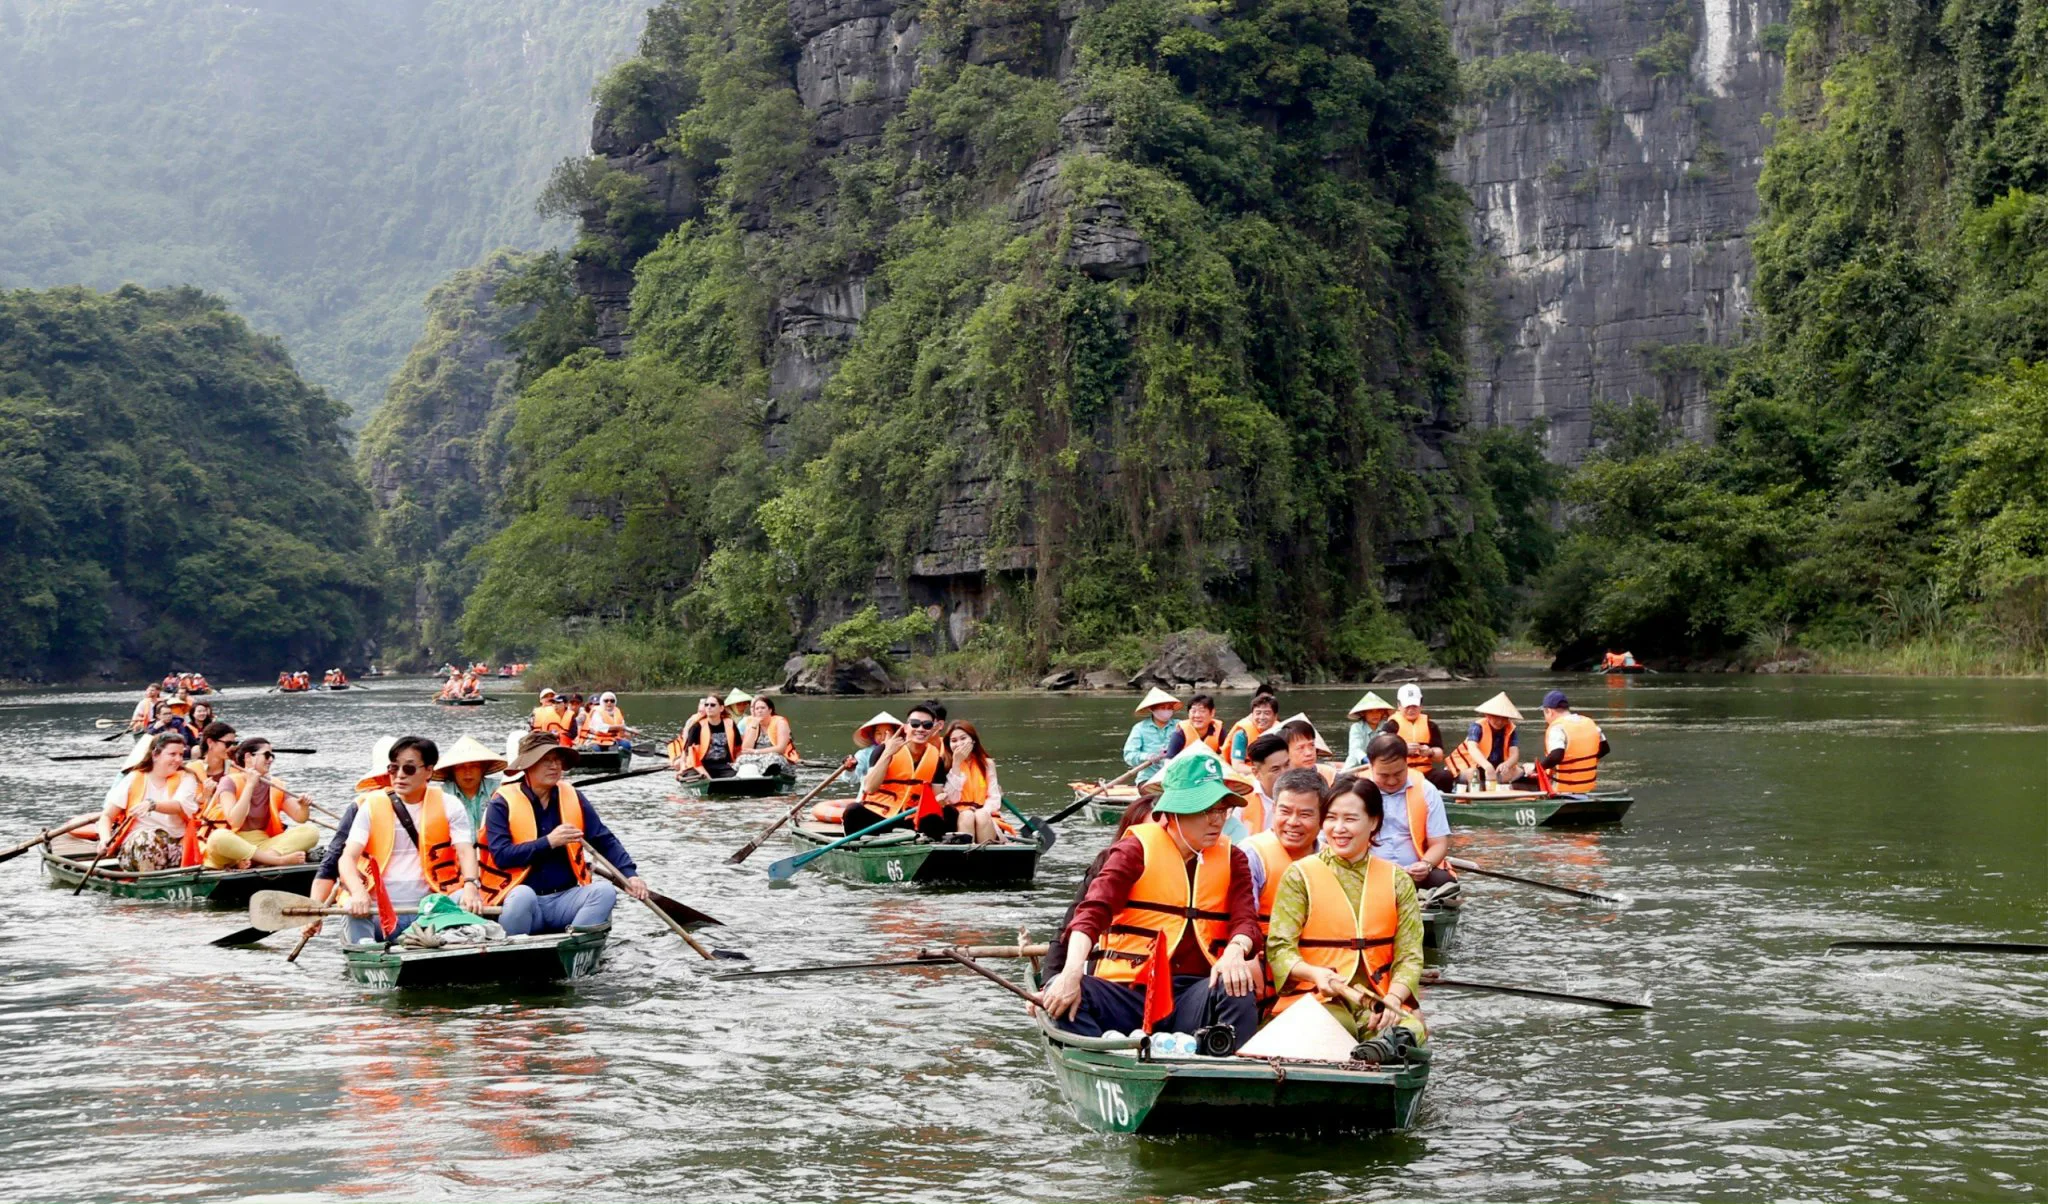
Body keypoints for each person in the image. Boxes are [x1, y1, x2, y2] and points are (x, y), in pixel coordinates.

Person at [1038, 756, 1263, 1052]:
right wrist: (1069, 973)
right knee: (1066, 991)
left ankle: (1220, 1074)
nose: (1218, 820)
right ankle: (1108, 1062)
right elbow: (1092, 912)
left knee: (1236, 985)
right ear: (1174, 811)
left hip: (1192, 993)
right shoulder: (1133, 851)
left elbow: (1246, 920)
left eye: (1222, 809)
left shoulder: (1234, 858)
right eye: (1206, 810)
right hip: (1128, 993)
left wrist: (1236, 951)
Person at [1266, 774, 1429, 1050]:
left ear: (1374, 821)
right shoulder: (1299, 876)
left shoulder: (1398, 881)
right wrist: (1316, 974)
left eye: (1350, 819)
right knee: (1336, 1027)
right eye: (1331, 818)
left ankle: (1380, 1051)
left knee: (1411, 1029)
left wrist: (1394, 997)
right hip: (1318, 995)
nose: (1338, 828)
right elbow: (1280, 949)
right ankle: (1372, 1053)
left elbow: (1410, 956)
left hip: (1377, 997)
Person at [480, 733, 648, 936]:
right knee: (522, 896)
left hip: (565, 899)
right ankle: (519, 950)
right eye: (546, 761)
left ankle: (572, 945)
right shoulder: (501, 802)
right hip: (523, 901)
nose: (555, 766)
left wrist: (630, 874)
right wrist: (549, 842)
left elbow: (603, 839)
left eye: (557, 760)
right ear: (527, 766)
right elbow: (502, 856)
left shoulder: (572, 795)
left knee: (604, 892)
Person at [336, 736, 485, 944]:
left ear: (429, 771)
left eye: (409, 769)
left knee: (466, 899)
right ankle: (367, 954)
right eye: (393, 768)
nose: (399, 776)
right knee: (353, 907)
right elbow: (347, 858)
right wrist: (359, 892)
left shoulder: (449, 805)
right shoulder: (371, 806)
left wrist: (471, 886)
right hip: (380, 913)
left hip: (430, 912)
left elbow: (465, 851)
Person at [201, 738, 319, 869]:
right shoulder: (228, 781)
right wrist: (250, 785)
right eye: (267, 755)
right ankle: (275, 861)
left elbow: (300, 818)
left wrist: (304, 806)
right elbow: (235, 821)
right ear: (248, 757)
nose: (270, 760)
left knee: (311, 831)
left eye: (272, 756)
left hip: (262, 843)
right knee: (218, 837)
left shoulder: (275, 784)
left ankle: (261, 858)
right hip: (231, 844)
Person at [1361, 732, 1455, 893]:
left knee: (1445, 883)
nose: (1391, 781)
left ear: (1407, 763)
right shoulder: (1355, 791)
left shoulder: (1426, 790)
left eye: (1398, 774)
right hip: (1366, 871)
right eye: (1383, 775)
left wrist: (1425, 865)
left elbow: (1439, 843)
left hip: (1413, 873)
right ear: (1370, 766)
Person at [1242, 767, 1326, 941]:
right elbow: (1243, 920)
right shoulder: (1251, 854)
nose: (1293, 822)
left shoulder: (1333, 858)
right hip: (1263, 958)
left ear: (1323, 817)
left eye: (1305, 814)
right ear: (1274, 808)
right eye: (1285, 812)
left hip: (1323, 959)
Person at [843, 701, 946, 837]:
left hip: (910, 818)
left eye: (927, 725)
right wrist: (888, 754)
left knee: (946, 815)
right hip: (879, 816)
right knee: (853, 811)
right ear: (906, 728)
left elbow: (936, 796)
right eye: (915, 724)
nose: (921, 729)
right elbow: (869, 787)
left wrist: (941, 800)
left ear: (933, 729)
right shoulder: (882, 750)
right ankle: (858, 849)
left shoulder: (936, 758)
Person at [99, 733, 200, 871]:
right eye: (172, 754)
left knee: (148, 839)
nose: (178, 760)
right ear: (155, 755)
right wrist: (104, 838)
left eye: (181, 755)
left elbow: (179, 805)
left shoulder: (187, 778)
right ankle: (146, 878)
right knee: (144, 838)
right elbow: (107, 816)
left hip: (173, 848)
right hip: (135, 848)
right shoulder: (134, 778)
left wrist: (152, 805)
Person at [935, 721, 1009, 845]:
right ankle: (967, 857)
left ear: (973, 740)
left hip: (985, 814)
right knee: (967, 816)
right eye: (954, 740)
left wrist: (982, 811)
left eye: (963, 738)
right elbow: (952, 799)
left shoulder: (987, 764)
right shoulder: (945, 764)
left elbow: (994, 797)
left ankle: (987, 855)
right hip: (959, 815)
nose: (959, 744)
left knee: (981, 816)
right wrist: (956, 764)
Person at [1380, 684, 1452, 791]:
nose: (1411, 710)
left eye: (1414, 706)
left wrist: (1430, 752)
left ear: (1421, 705)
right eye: (1407, 706)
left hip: (1425, 772)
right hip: (1401, 772)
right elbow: (1382, 751)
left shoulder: (1430, 725)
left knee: (1445, 776)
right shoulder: (1391, 726)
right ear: (1399, 705)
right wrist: (1402, 749)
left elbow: (1439, 756)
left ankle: (1444, 802)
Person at [1445, 692, 1523, 787]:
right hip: (1471, 765)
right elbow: (1472, 748)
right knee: (1473, 773)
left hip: (1495, 766)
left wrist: (1506, 764)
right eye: (1496, 717)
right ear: (1488, 715)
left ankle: (1495, 788)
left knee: (1518, 771)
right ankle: (1476, 793)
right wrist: (1487, 766)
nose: (1500, 722)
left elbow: (1514, 753)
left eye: (1504, 718)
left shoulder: (1510, 729)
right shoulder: (1477, 727)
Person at [1539, 690, 1609, 793]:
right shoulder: (1590, 723)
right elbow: (1605, 749)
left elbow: (1556, 756)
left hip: (1562, 790)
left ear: (1549, 711)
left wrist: (1537, 769)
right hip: (1587, 787)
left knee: (1518, 784)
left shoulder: (1557, 728)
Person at [433, 735, 508, 828]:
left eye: (474, 766)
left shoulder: (499, 790)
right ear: (452, 770)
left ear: (482, 768)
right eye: (460, 767)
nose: (468, 772)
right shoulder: (442, 795)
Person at [669, 693, 741, 779]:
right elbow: (690, 754)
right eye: (706, 705)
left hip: (723, 765)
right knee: (696, 777)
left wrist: (737, 763)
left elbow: (738, 748)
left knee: (738, 776)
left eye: (712, 705)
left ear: (721, 708)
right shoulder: (697, 727)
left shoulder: (730, 724)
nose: (709, 707)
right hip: (699, 766)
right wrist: (706, 776)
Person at [1122, 688, 1182, 785]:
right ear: (1152, 709)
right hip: (1149, 778)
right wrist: (1147, 756)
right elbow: (1129, 755)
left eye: (1169, 707)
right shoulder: (1140, 728)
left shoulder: (1180, 725)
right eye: (1162, 708)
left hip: (1177, 777)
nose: (1167, 711)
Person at [1238, 731, 1292, 833]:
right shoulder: (1241, 799)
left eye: (1287, 765)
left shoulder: (1305, 792)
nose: (1285, 774)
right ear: (1256, 773)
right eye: (1276, 769)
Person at [735, 696, 798, 765]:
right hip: (757, 756)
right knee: (741, 759)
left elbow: (781, 749)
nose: (760, 711)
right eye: (757, 709)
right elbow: (746, 749)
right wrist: (754, 727)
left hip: (778, 756)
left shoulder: (780, 722)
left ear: (770, 710)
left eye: (763, 708)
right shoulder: (751, 723)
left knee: (773, 759)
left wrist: (756, 752)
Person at [1224, 693, 1279, 769]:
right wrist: (1263, 772)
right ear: (1252, 715)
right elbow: (1237, 766)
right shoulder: (1242, 735)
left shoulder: (1282, 733)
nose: (1262, 717)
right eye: (1258, 713)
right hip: (1249, 775)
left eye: (1267, 713)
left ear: (1275, 716)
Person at [1343, 692, 1395, 769]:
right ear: (1363, 713)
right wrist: (1366, 760)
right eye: (1371, 711)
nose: (1375, 715)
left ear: (1382, 712)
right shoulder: (1357, 727)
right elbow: (1356, 749)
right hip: (1355, 767)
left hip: (1379, 768)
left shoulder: (1386, 727)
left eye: (1378, 711)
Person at [1277, 715, 1335, 784]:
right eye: (1300, 748)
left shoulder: (1328, 774)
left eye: (1312, 745)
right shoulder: (1279, 780)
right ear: (1285, 752)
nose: (1309, 753)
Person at [187, 720, 239, 796]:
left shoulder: (236, 770)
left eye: (234, 744)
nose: (232, 748)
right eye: (228, 744)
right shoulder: (191, 770)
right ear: (210, 742)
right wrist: (204, 796)